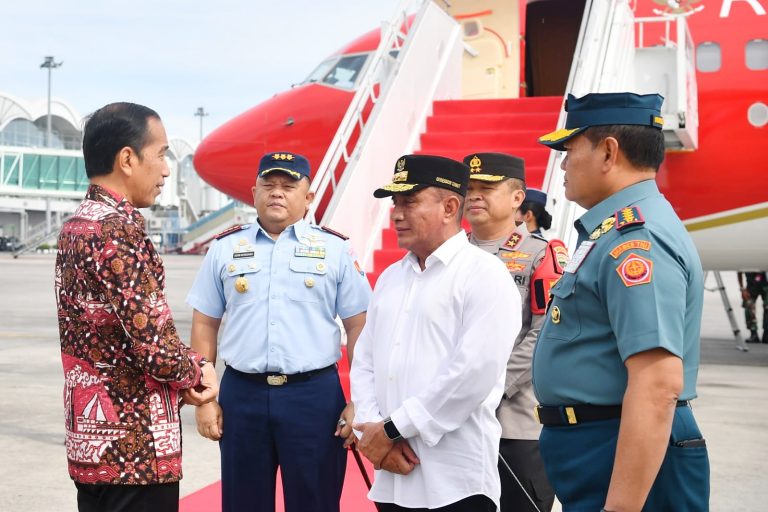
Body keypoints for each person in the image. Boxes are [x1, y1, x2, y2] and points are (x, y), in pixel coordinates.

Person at [532, 92, 710, 511]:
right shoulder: (612, 231)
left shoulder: (635, 240)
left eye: (569, 149)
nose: (562, 165)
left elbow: (656, 384)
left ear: (608, 152)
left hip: (619, 447)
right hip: (602, 446)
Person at [185, 151, 371, 512]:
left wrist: (361, 399)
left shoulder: (335, 249)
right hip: (243, 396)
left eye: (288, 186)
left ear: (309, 197)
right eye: (268, 185)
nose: (277, 193)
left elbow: (358, 323)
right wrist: (205, 400)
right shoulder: (225, 248)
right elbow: (205, 321)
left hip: (313, 397)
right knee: (243, 503)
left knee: (315, 501)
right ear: (254, 191)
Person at [55, 102, 218, 512]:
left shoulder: (77, 226)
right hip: (135, 452)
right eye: (161, 154)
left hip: (91, 445)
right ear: (127, 159)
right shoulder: (117, 231)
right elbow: (153, 346)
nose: (166, 170)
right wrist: (198, 371)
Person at [351, 154, 521, 512]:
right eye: (395, 203)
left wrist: (394, 429)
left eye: (409, 202)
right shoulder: (390, 278)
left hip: (455, 478)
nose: (396, 213)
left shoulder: (484, 274)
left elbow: (471, 374)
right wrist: (371, 432)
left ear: (449, 207)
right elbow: (365, 362)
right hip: (393, 472)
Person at [463, 152, 567, 512]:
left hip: (514, 425)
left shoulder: (540, 255)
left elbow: (544, 334)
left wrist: (487, 389)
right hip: (454, 427)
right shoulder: (450, 255)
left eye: (486, 188)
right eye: (469, 188)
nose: (474, 196)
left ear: (517, 198)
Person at [737, 271, 767, 343]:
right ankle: (753, 333)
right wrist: (742, 289)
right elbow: (739, 271)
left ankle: (767, 333)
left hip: (766, 285)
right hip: (752, 285)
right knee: (748, 307)